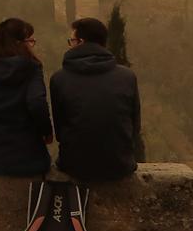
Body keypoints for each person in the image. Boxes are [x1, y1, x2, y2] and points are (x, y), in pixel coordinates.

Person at [50, 17, 141, 182]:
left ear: (80, 42)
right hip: (120, 165)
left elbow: (60, 129)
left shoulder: (59, 78)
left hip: (74, 166)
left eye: (71, 41)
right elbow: (135, 125)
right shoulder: (127, 76)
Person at [0, 17, 53, 176]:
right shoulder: (31, 68)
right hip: (30, 160)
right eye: (30, 41)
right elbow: (36, 103)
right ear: (19, 43)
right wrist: (47, 132)